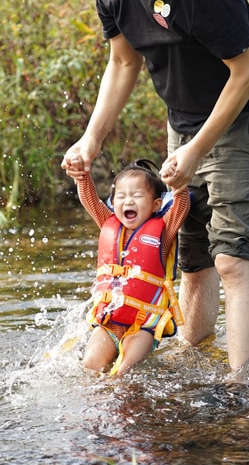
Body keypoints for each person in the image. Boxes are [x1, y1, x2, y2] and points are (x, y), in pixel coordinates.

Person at [62, 0, 249, 377]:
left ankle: (242, 382)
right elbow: (123, 61)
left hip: (239, 121)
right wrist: (91, 138)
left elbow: (246, 73)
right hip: (182, 125)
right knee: (190, 251)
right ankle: (194, 348)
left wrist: (197, 149)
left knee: (232, 257)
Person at [66, 158, 190, 375]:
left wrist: (179, 184)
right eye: (121, 196)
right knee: (90, 366)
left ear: (155, 205)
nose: (128, 201)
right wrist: (82, 175)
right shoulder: (108, 221)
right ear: (114, 203)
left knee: (124, 372)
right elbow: (90, 200)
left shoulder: (163, 231)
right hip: (108, 323)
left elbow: (182, 206)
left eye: (137, 196)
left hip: (142, 326)